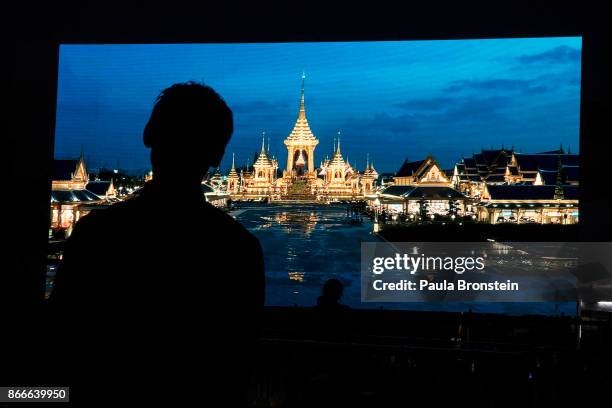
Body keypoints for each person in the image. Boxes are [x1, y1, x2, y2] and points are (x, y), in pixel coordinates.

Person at [48, 82, 265, 405]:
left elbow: (60, 342)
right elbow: (237, 365)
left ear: (148, 135)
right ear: (218, 155)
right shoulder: (239, 249)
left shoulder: (97, 234)